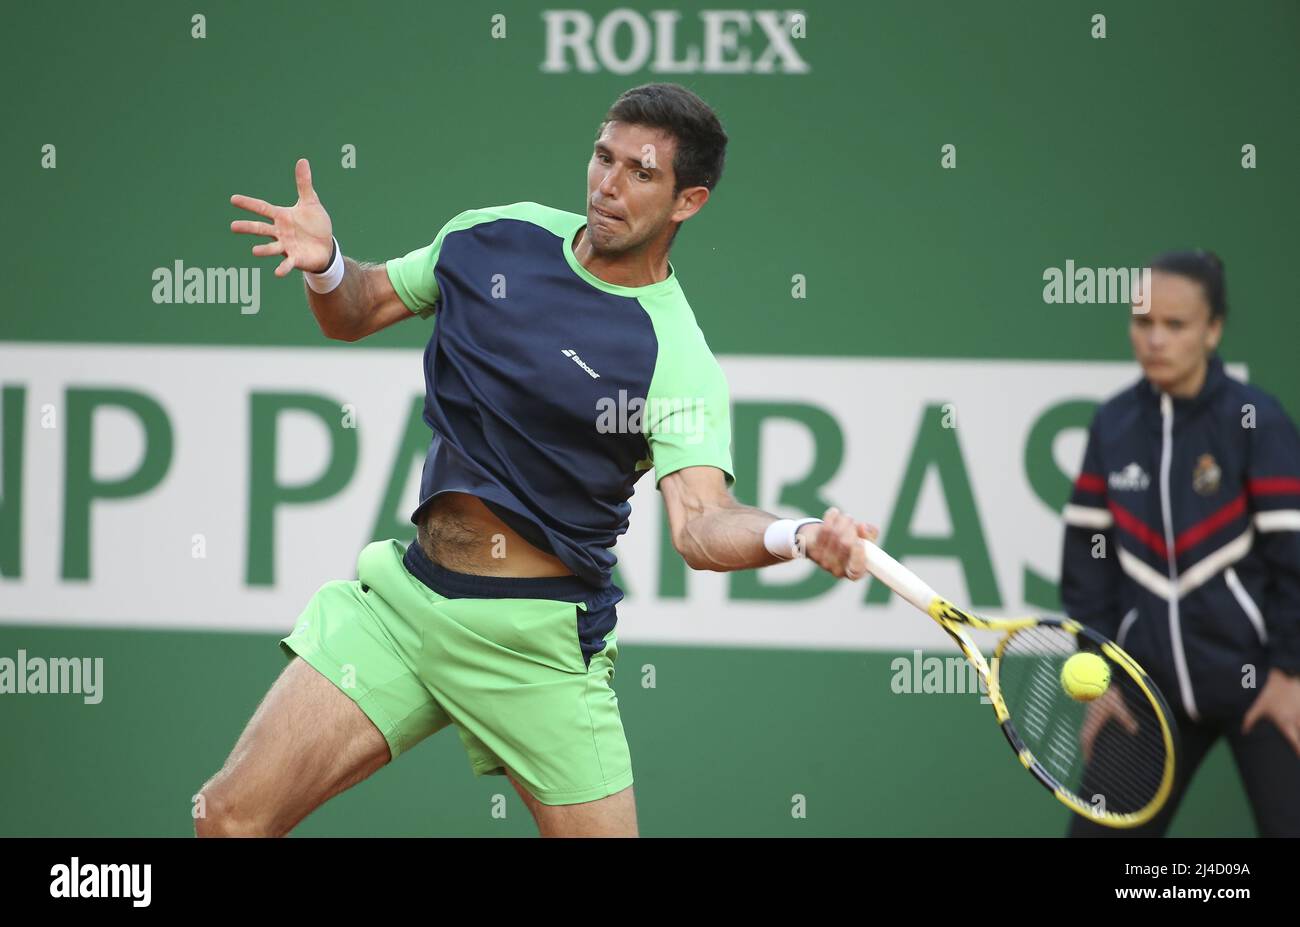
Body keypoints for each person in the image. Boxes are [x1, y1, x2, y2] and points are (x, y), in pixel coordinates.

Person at [199, 83, 878, 837]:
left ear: (688, 202)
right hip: (405, 604)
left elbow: (702, 524)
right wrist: (327, 265)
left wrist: (799, 534)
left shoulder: (675, 356)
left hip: (536, 645)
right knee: (227, 818)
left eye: (641, 173)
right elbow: (357, 309)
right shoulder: (493, 237)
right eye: (603, 157)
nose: (608, 186)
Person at [1061, 250, 1300, 836]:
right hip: (1146, 688)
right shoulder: (1112, 424)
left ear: (1212, 330)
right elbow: (1087, 564)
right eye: (1143, 323)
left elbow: (1295, 559)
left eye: (1176, 325)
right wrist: (1098, 672)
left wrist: (1291, 674)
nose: (1156, 341)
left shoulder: (1256, 421)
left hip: (1260, 685)